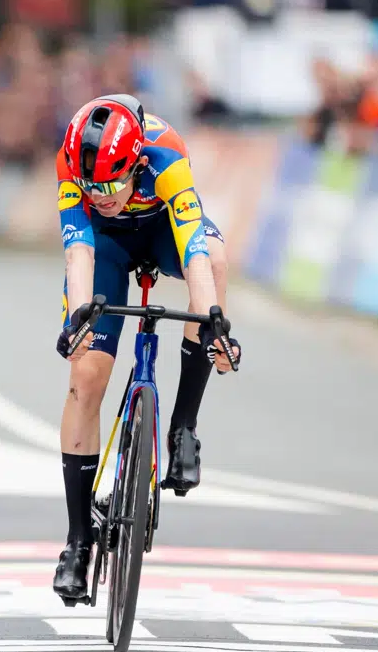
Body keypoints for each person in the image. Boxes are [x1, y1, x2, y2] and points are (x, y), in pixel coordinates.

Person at [52, 94, 241, 603]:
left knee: (215, 262)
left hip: (162, 230)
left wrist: (212, 320)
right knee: (85, 375)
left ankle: (183, 428)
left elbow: (194, 250)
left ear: (136, 164)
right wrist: (79, 317)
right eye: (90, 186)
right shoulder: (71, 162)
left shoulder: (167, 156)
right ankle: (78, 540)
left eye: (109, 184)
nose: (99, 194)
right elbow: (78, 250)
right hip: (106, 244)